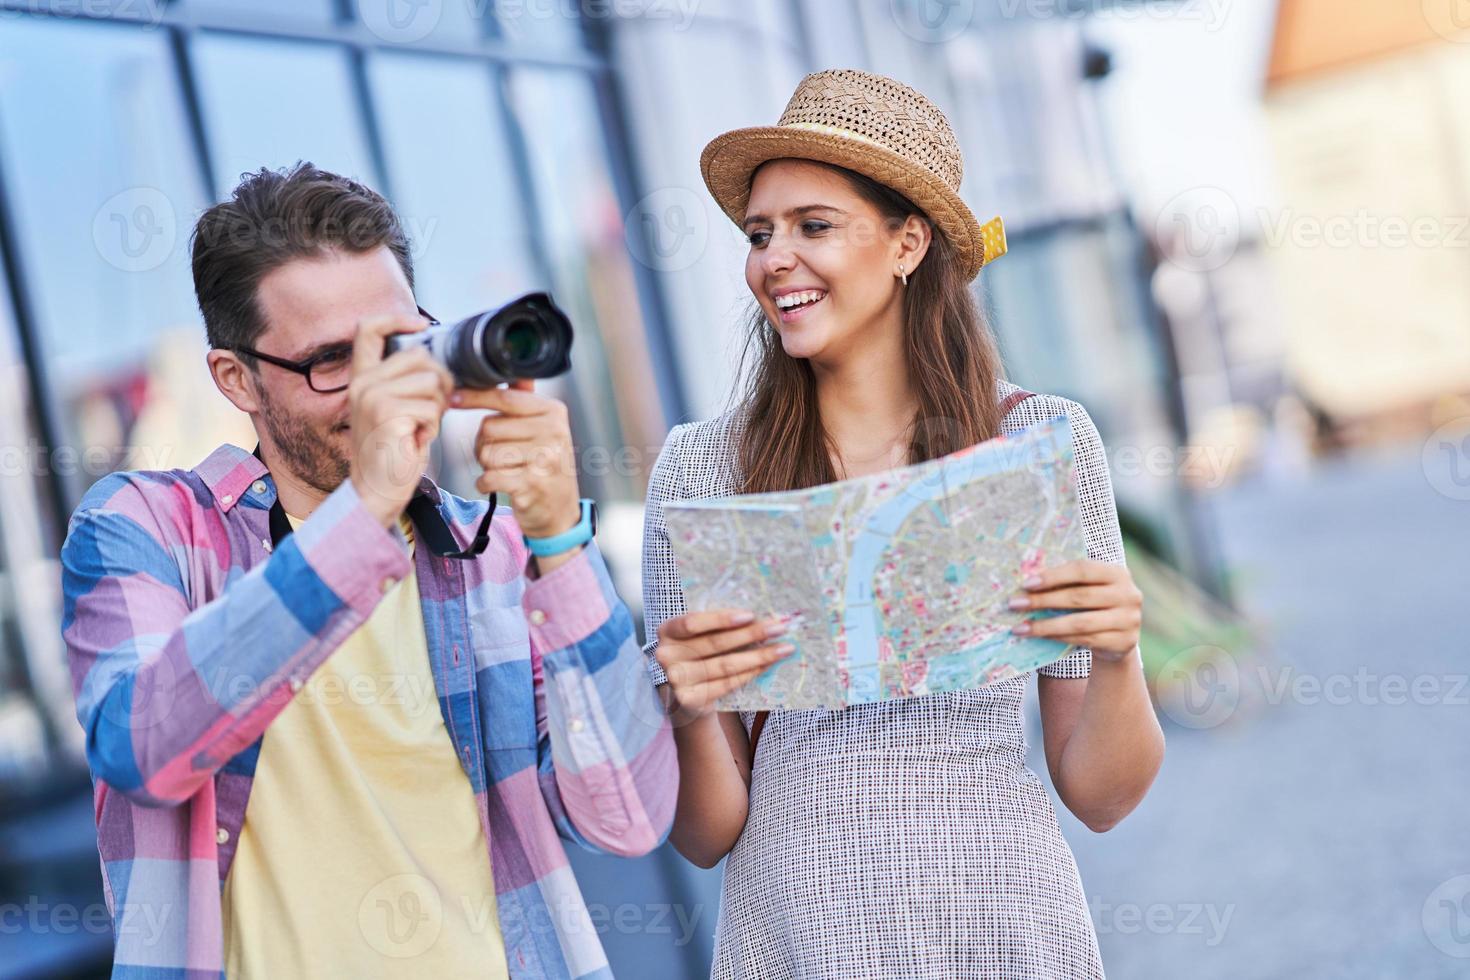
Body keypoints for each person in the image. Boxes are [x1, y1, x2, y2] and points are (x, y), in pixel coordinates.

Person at [60, 162, 675, 979]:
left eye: (398, 343)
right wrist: (369, 506)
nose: (379, 386)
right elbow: (142, 749)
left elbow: (628, 819)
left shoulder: (486, 549)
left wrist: (560, 539)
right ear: (236, 378)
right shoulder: (146, 528)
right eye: (331, 361)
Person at [641, 69, 1165, 978]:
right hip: (800, 934)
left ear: (906, 242)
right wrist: (684, 710)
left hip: (1004, 926)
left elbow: (1103, 796)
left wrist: (1119, 654)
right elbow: (703, 835)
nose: (774, 259)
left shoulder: (1036, 442)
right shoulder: (703, 469)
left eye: (814, 226)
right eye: (760, 233)